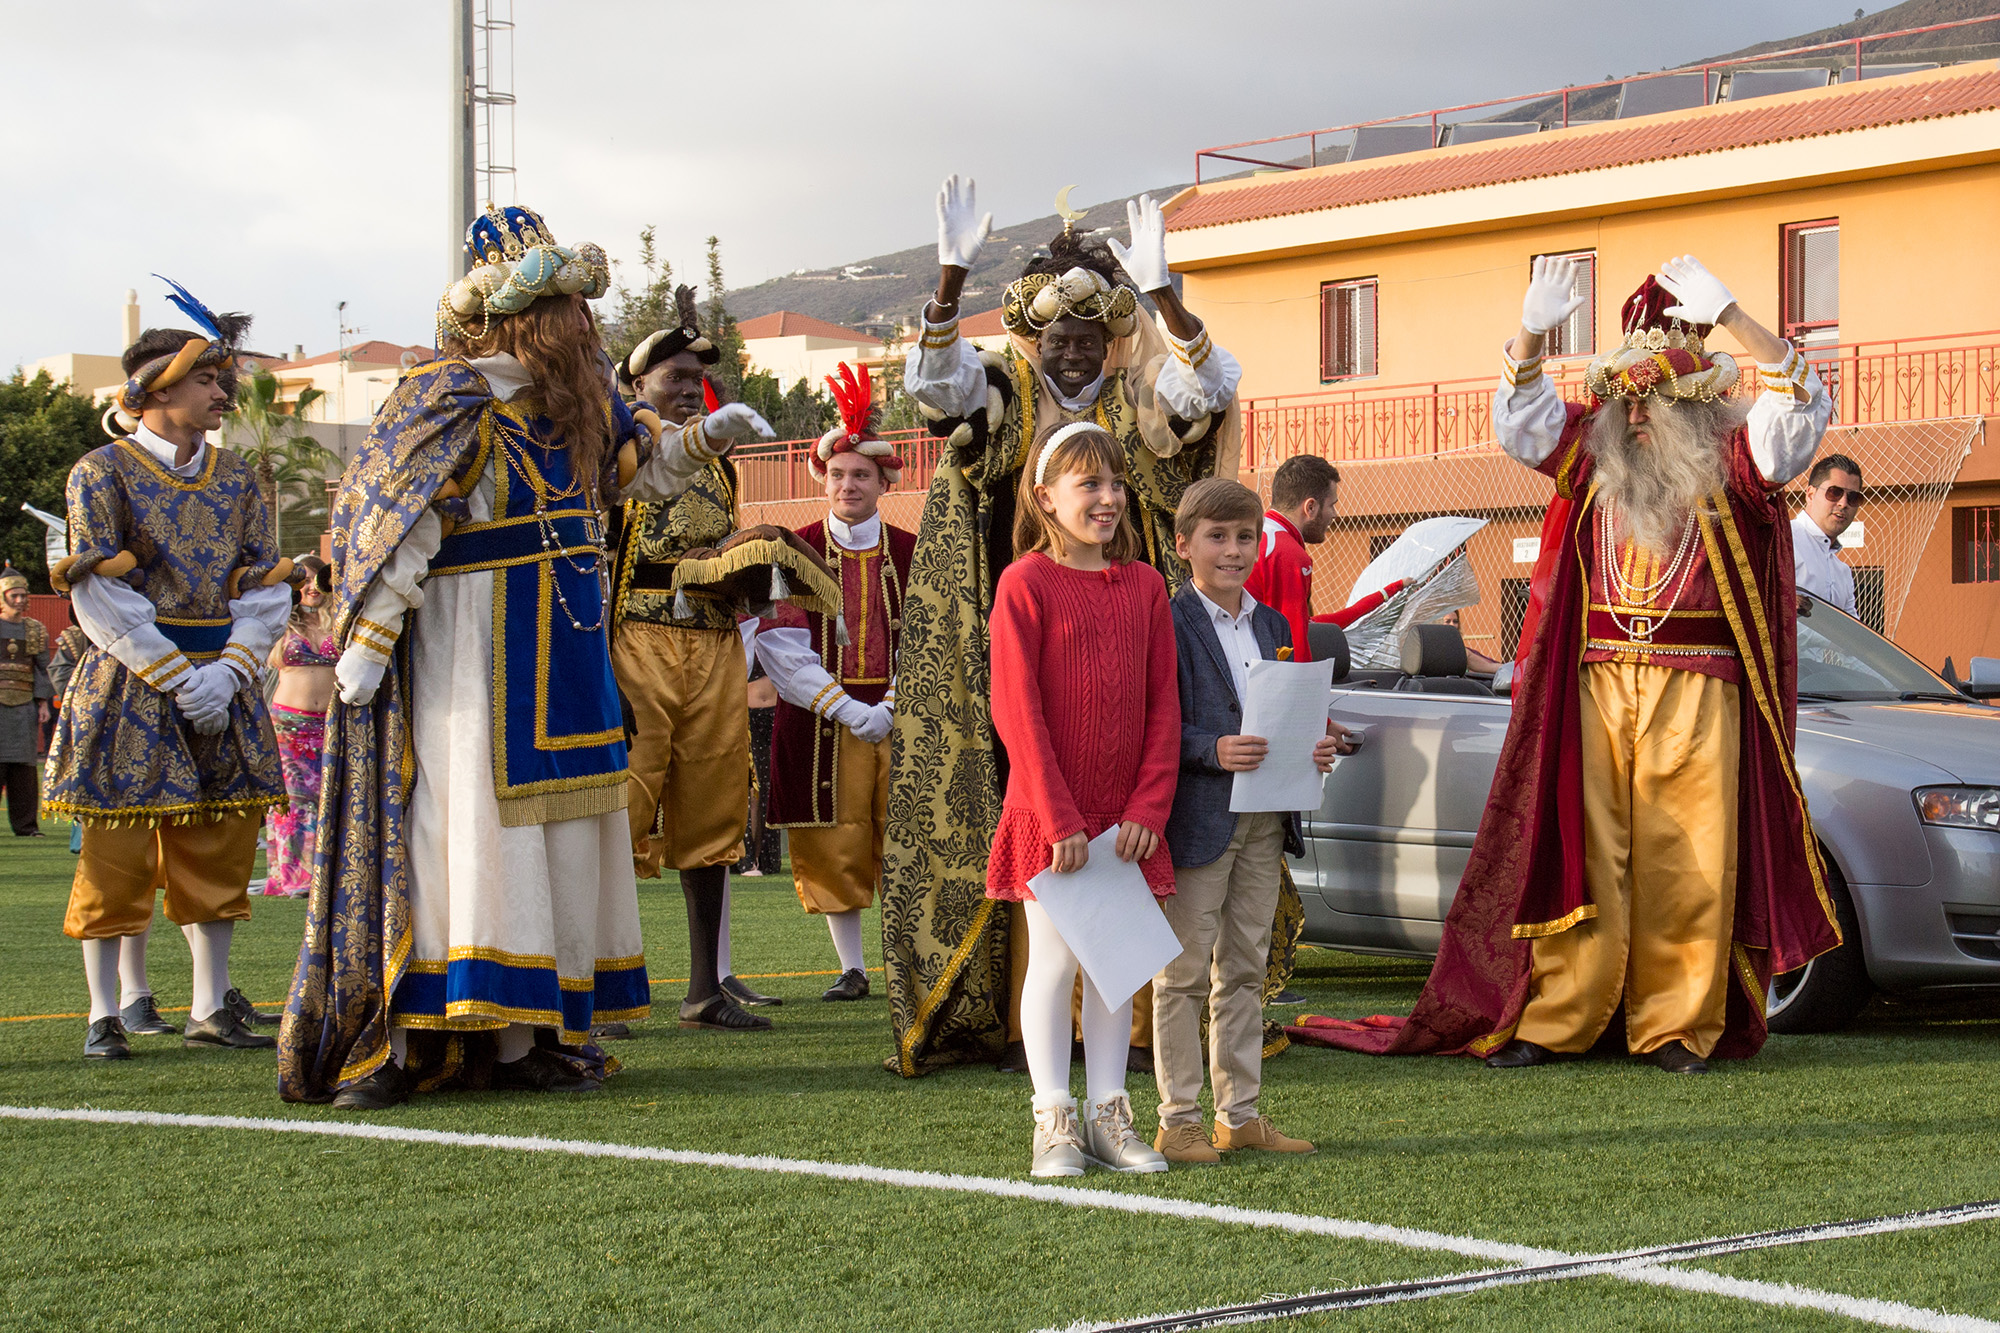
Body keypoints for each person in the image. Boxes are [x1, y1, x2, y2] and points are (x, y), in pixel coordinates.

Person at [279, 204, 776, 1109]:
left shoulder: (572, 413)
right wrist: (372, 636)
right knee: (460, 841)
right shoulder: (447, 405)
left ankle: (519, 1040)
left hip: (571, 659)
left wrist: (703, 439)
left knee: (557, 849)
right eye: (567, 311)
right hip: (473, 664)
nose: (585, 328)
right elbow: (402, 529)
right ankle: (409, 1037)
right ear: (518, 319)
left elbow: (634, 474)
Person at [1303, 254, 1842, 1075]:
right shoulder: (1592, 456)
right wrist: (1530, 333)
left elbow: (1801, 400)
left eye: (1655, 401)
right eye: (1628, 400)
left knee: (1687, 856)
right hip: (1593, 679)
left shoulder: (1738, 462)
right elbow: (1519, 421)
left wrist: (1733, 316)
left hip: (1699, 683)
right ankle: (1562, 1017)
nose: (1637, 418)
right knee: (1585, 852)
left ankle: (1675, 1023)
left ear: (1695, 404)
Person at [882, 177, 1242, 1076]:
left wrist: (1166, 296)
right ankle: (1022, 1027)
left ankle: (1136, 1038)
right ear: (1034, 341)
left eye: (1089, 341)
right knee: (1024, 798)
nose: (1074, 356)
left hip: (1120, 627)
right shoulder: (1001, 390)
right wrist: (950, 278)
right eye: (1059, 341)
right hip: (1008, 625)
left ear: (1109, 342)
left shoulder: (1137, 397)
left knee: (1129, 795)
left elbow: (1203, 398)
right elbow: (936, 382)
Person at [45, 286, 290, 1059]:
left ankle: (212, 1004)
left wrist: (231, 670)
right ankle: (103, 1012)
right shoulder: (99, 472)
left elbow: (266, 582)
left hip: (224, 670)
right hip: (131, 681)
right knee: (115, 847)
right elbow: (97, 590)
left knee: (219, 841)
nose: (223, 392)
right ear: (156, 390)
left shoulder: (240, 476)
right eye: (208, 380)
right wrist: (182, 677)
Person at [986, 420, 1180, 1177]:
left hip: (1127, 821)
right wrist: (1058, 815)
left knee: (1117, 966)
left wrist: (1148, 808)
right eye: (1087, 484)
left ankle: (1109, 1115)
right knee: (1059, 962)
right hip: (1053, 815)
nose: (1107, 497)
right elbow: (1017, 708)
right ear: (1045, 497)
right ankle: (1054, 1122)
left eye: (1114, 482)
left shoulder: (1146, 586)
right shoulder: (1025, 583)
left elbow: (1166, 703)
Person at [1155, 478, 1347, 1164]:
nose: (1234, 551)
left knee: (1243, 969)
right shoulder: (1168, 621)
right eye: (1218, 537)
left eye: (1244, 537)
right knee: (1180, 974)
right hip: (1200, 818)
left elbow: (1279, 717)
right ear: (1184, 546)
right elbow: (1151, 726)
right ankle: (1178, 1117)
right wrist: (1211, 748)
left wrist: (1312, 743)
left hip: (1266, 814)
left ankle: (1239, 1113)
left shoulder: (1269, 623)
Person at [610, 285, 775, 1029]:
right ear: (635, 385)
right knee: (619, 808)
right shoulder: (619, 453)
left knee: (713, 807)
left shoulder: (721, 463)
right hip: (636, 641)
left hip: (711, 642)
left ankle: (706, 986)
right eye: (670, 376)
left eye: (691, 376)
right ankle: (591, 982)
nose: (685, 387)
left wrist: (745, 572)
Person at [753, 364, 914, 1001]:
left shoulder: (915, 549)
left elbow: (930, 638)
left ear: (883, 482)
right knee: (833, 839)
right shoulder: (797, 550)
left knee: (907, 837)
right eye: (840, 474)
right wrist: (848, 709)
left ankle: (909, 961)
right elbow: (781, 646)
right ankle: (852, 968)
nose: (849, 484)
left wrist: (897, 702)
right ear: (823, 477)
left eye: (862, 475)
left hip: (905, 715)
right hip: (826, 720)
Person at [263, 554, 335, 898]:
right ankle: (294, 878)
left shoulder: (341, 621)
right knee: (292, 803)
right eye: (303, 581)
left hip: (332, 725)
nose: (311, 587)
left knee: (329, 798)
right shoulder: (280, 623)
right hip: (288, 726)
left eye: (316, 579)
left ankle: (328, 873)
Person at [1245, 455, 1340, 662]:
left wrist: (1385, 594)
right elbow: (1292, 642)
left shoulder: (1257, 535)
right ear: (1311, 507)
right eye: (1331, 505)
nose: (1334, 514)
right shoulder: (1288, 554)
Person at [0, 567, 51, 837]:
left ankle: (26, 826)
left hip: (24, 707)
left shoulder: (34, 630)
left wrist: (42, 703)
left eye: (23, 595)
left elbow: (42, 669)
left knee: (24, 767)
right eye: (14, 595)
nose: (19, 600)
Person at [735, 625, 783, 879]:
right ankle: (746, 857)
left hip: (775, 714)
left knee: (769, 786)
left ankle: (767, 857)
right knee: (750, 788)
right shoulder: (741, 631)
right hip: (748, 715)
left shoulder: (780, 630)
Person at [1792, 453, 1862, 616]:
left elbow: (1850, 635)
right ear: (1810, 495)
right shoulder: (1783, 540)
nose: (1843, 503)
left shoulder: (1842, 573)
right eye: (1834, 493)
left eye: (1853, 497)